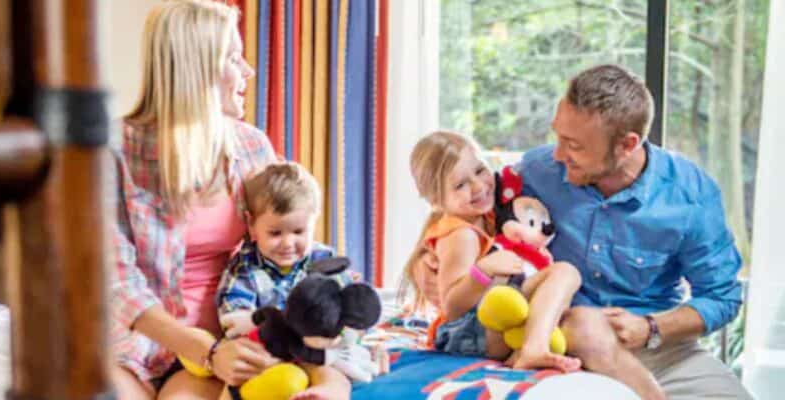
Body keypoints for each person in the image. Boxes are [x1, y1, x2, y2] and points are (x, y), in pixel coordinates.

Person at [413, 64, 751, 400]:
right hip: (555, 335)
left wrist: (651, 327)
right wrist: (422, 263)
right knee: (580, 326)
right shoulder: (537, 170)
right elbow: (460, 205)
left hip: (656, 350)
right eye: (557, 136)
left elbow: (722, 298)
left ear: (627, 145)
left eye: (573, 145)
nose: (558, 154)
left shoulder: (689, 196)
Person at [110, 2, 346, 399]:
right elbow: (115, 282)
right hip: (136, 342)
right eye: (234, 59)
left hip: (230, 339)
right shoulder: (114, 152)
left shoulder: (251, 147)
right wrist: (206, 349)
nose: (248, 72)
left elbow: (284, 247)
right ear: (196, 70)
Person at [403, 131, 582, 372]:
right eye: (460, 185)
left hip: (490, 319)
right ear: (436, 201)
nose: (478, 186)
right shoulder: (461, 235)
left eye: (479, 171)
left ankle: (527, 347)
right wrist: (483, 270)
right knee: (564, 272)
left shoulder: (483, 214)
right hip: (466, 332)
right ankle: (533, 348)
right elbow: (452, 307)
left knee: (562, 277)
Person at [215, 162, 356, 399]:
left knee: (332, 371)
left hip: (315, 348)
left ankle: (326, 393)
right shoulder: (245, 267)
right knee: (236, 378)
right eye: (276, 233)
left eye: (299, 232)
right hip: (267, 350)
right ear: (251, 224)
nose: (288, 243)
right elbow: (233, 315)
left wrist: (351, 337)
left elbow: (353, 308)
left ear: (314, 221)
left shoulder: (325, 261)